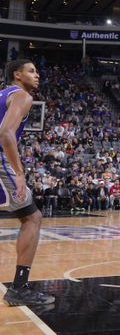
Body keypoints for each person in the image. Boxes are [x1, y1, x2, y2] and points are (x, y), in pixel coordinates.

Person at [1, 59, 54, 306]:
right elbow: (5, 133)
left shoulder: (2, 94)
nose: (37, 75)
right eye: (31, 71)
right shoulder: (22, 95)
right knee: (32, 218)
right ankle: (19, 288)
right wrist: (19, 172)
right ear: (17, 74)